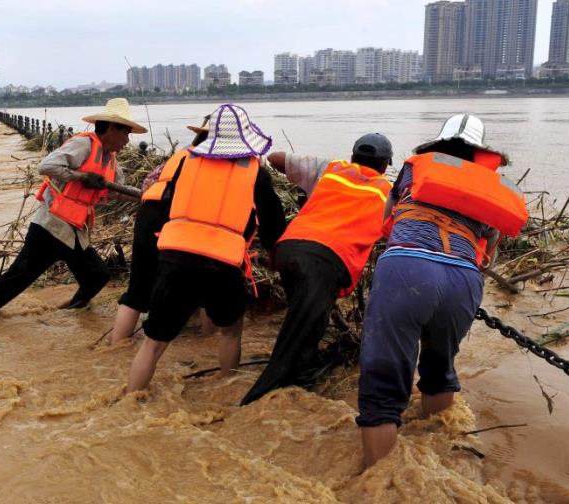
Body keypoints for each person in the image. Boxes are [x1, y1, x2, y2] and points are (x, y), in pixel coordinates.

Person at [356, 114, 528, 467]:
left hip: (407, 268)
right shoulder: (490, 188)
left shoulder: (415, 167)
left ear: (438, 143)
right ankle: (437, 454)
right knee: (439, 371)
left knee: (383, 386)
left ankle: (380, 486)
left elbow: (387, 218)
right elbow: (487, 253)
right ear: (482, 154)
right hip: (464, 280)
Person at [126, 104, 286, 392]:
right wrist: (275, 258)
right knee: (231, 331)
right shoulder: (255, 172)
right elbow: (273, 225)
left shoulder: (186, 162)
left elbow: (165, 203)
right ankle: (226, 394)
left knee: (153, 344)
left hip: (175, 258)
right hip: (222, 263)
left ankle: (128, 401)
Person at [240, 134, 395, 405]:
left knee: (304, 324)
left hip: (288, 249)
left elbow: (275, 159)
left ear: (353, 157)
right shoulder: (388, 193)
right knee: (296, 341)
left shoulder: (331, 170)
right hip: (325, 262)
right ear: (385, 165)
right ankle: (259, 402)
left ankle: (298, 377)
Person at [0, 98, 147, 322]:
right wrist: (81, 176)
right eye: (126, 133)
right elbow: (47, 166)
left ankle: (69, 313)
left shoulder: (111, 160)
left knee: (97, 276)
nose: (127, 140)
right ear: (111, 128)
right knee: (17, 278)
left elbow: (114, 191)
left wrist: (147, 195)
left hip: (75, 231)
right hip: (51, 227)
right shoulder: (84, 145)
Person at [109, 115, 211, 344]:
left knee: (137, 289)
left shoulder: (181, 155)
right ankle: (207, 345)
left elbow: (148, 184)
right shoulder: (217, 161)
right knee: (205, 287)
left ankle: (116, 345)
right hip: (175, 222)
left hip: (148, 216)